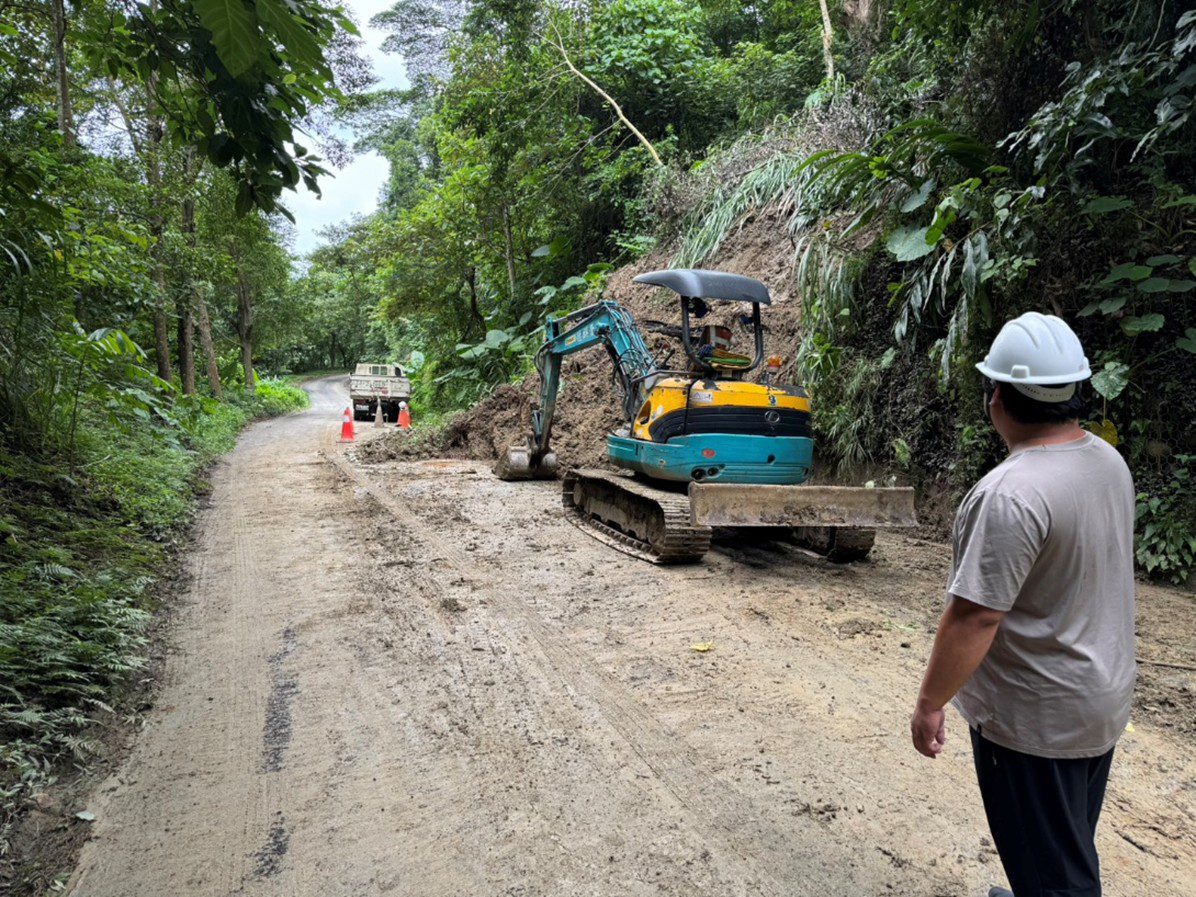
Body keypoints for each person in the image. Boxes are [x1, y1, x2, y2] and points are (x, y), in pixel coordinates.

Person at [909, 312, 1136, 897]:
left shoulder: (1012, 494)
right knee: (1064, 835)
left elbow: (976, 615)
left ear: (997, 398)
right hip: (1099, 697)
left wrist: (931, 702)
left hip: (1038, 721)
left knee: (1060, 878)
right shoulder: (1107, 463)